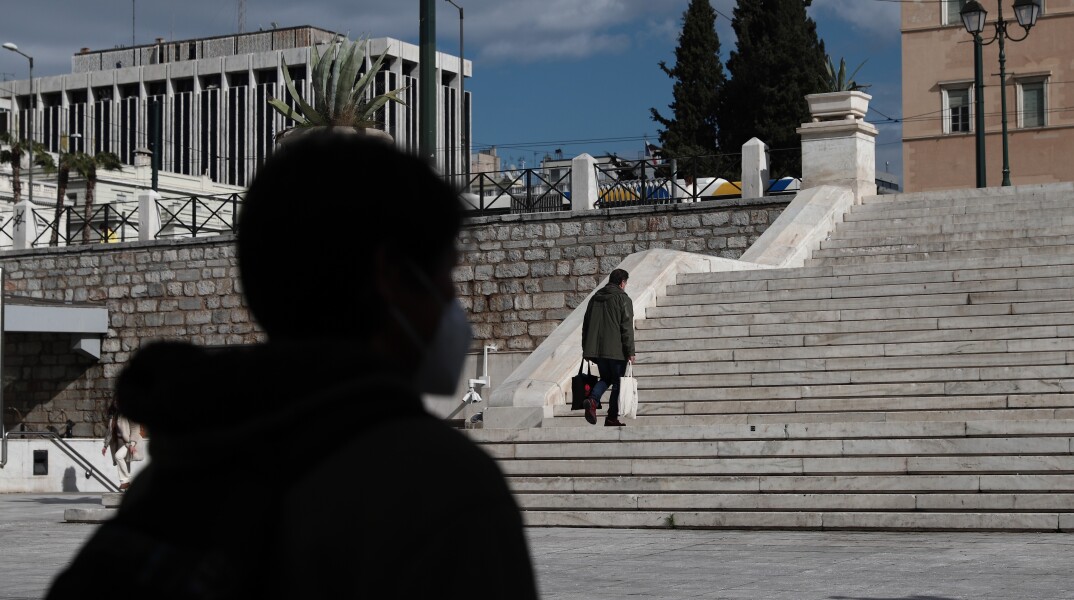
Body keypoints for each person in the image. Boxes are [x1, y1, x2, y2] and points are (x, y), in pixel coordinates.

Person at [47, 132, 539, 599]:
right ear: (391, 275)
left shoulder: (179, 473)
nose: (453, 301)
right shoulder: (443, 486)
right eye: (446, 273)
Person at [581, 268, 636, 427]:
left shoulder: (595, 298)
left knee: (606, 378)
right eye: (625, 283)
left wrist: (586, 349)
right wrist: (630, 352)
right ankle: (612, 417)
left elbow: (586, 325)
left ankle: (592, 400)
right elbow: (626, 327)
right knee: (618, 383)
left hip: (597, 351)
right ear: (622, 282)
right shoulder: (623, 299)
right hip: (616, 351)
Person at [101, 400, 139, 491]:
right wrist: (105, 446)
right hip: (117, 442)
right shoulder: (112, 416)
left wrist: (132, 443)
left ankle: (125, 481)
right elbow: (109, 431)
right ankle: (127, 490)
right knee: (125, 464)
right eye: (115, 403)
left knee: (118, 456)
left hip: (128, 442)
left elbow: (135, 429)